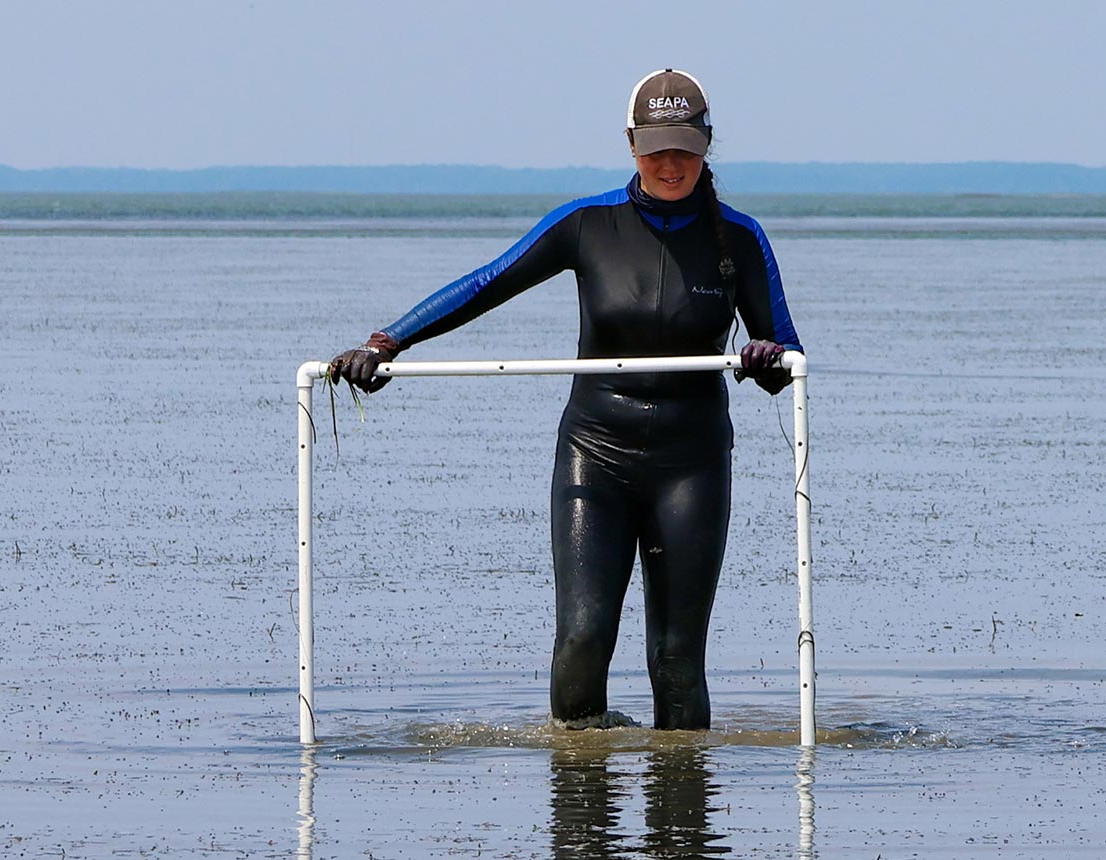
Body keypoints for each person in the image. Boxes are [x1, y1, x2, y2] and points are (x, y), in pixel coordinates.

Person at [330, 69, 802, 730]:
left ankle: (683, 823)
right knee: (582, 642)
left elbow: (786, 357)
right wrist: (387, 342)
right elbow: (487, 282)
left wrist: (766, 361)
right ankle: (582, 813)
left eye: (686, 149)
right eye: (657, 148)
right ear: (631, 144)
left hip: (690, 462)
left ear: (707, 146)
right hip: (595, 456)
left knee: (676, 658)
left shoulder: (740, 239)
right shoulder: (587, 225)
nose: (672, 164)